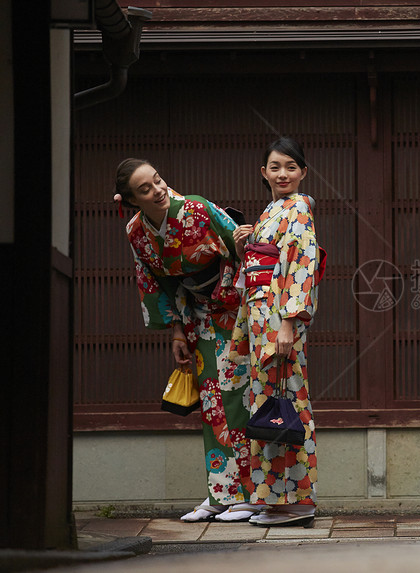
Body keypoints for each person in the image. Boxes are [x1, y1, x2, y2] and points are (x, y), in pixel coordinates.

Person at [114, 159, 257, 523]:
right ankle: (220, 494)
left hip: (236, 310)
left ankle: (248, 494)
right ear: (131, 199)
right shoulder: (136, 232)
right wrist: (176, 330)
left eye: (158, 180)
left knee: (237, 398)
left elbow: (246, 252)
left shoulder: (196, 208)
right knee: (211, 402)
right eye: (145, 189)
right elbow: (154, 282)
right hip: (198, 316)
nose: (158, 190)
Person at [230, 137, 322, 527]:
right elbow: (256, 270)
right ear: (263, 173)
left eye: (290, 166)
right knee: (266, 401)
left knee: (287, 400)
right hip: (259, 315)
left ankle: (298, 501)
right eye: (275, 167)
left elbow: (302, 260)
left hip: (278, 318)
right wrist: (243, 250)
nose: (282, 173)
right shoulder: (271, 210)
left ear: (303, 172)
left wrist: (288, 321)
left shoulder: (298, 208)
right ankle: (270, 496)